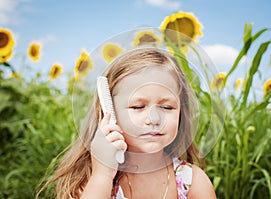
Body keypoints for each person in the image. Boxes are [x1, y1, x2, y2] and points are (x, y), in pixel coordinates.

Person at [36, 47, 216, 199]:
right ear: (110, 113)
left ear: (181, 113)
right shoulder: (92, 180)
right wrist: (103, 175)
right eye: (138, 107)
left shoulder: (192, 182)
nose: (154, 119)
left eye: (167, 107)